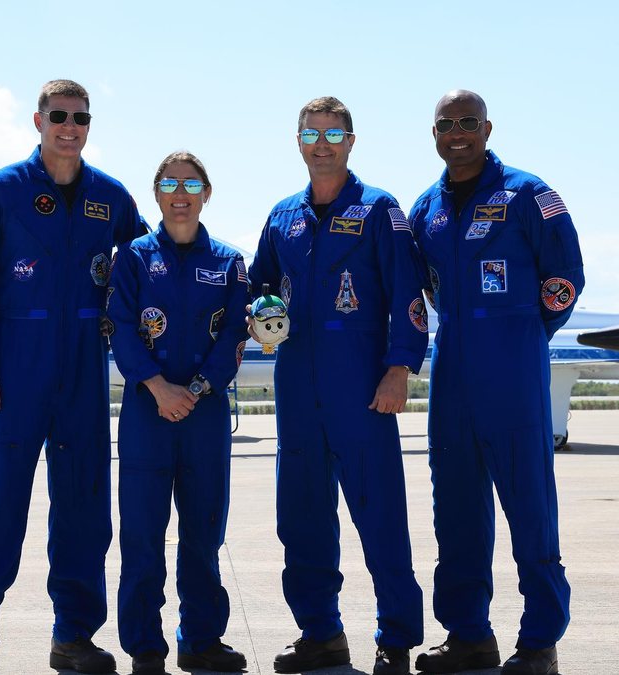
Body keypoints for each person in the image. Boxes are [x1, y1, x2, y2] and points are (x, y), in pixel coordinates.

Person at [0, 79, 147, 675]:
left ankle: (74, 637)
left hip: (83, 371)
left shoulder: (110, 197)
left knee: (84, 509)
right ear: (37, 120)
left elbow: (151, 264)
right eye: (59, 116)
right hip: (14, 370)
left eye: (81, 118)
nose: (70, 126)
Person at [248, 96, 428, 675]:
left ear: (351, 141)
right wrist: (257, 309)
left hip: (363, 384)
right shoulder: (282, 216)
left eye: (331, 133)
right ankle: (320, 633)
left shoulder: (379, 210)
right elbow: (257, 283)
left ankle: (396, 638)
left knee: (379, 513)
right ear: (297, 142)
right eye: (310, 134)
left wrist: (399, 367)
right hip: (297, 382)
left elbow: (409, 293)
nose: (321, 144)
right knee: (300, 516)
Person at [408, 90, 584, 675]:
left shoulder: (530, 195)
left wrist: (525, 334)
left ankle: (539, 642)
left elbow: (565, 278)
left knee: (529, 506)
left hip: (513, 365)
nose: (457, 133)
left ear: (487, 128)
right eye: (445, 124)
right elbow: (426, 288)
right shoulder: (425, 208)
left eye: (467, 122)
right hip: (452, 366)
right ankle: (468, 636)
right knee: (455, 508)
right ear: (434, 133)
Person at [107, 151, 251, 675]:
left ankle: (201, 640)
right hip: (147, 412)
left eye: (191, 184)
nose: (181, 192)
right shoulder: (134, 258)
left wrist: (194, 388)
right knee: (143, 534)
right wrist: (157, 387)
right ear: (158, 195)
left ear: (207, 193)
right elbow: (120, 327)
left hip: (205, 412)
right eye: (170, 183)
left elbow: (236, 332)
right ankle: (146, 646)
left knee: (203, 532)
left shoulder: (231, 263)